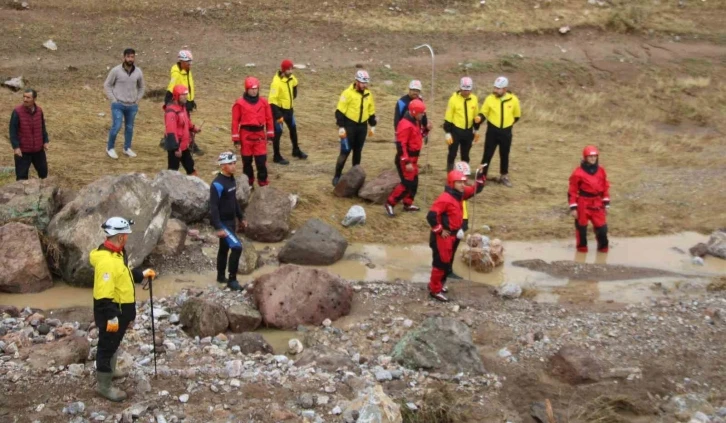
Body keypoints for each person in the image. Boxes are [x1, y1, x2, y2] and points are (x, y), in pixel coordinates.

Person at [90, 217, 156, 402]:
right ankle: (104, 386)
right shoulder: (107, 262)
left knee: (114, 342)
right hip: (113, 314)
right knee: (106, 347)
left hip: (121, 312)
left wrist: (142, 274)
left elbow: (123, 276)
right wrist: (112, 318)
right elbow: (103, 295)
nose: (127, 237)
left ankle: (110, 370)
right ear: (119, 237)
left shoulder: (116, 254)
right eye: (126, 234)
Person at [426, 168, 486, 302]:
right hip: (443, 237)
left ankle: (438, 285)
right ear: (452, 183)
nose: (463, 185)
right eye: (459, 182)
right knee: (441, 263)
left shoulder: (459, 194)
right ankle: (434, 290)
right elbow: (431, 216)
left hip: (452, 236)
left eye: (464, 182)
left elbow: (474, 190)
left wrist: (480, 177)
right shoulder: (445, 199)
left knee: (446, 262)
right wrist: (439, 230)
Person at [333, 70, 377, 186]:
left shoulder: (368, 94)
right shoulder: (347, 93)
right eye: (363, 83)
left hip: (362, 127)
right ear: (357, 81)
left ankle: (355, 177)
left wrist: (372, 125)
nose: (365, 85)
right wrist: (341, 126)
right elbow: (339, 111)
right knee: (345, 151)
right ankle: (337, 175)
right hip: (349, 125)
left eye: (366, 83)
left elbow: (371, 111)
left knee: (357, 152)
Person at [210, 152, 246, 291]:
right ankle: (232, 280)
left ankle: (220, 276)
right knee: (237, 247)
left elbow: (233, 200)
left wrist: (241, 217)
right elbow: (213, 207)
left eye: (234, 163)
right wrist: (218, 227)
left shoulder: (231, 179)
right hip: (223, 222)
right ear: (223, 165)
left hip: (231, 221)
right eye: (230, 164)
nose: (233, 166)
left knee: (224, 249)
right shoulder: (217, 184)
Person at [476, 76, 521, 187]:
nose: (495, 90)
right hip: (492, 130)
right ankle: (482, 177)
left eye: (498, 88)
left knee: (504, 154)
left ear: (505, 89)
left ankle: (504, 176)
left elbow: (517, 116)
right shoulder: (490, 99)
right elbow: (484, 112)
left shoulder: (513, 100)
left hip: (506, 131)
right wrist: (479, 119)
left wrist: (507, 124)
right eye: (495, 88)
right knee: (487, 154)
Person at [385, 98, 427, 217]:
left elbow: (418, 135)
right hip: (406, 159)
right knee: (407, 183)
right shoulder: (405, 124)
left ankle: (407, 203)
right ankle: (390, 203)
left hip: (413, 159)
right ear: (414, 112)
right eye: (421, 113)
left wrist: (426, 130)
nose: (423, 115)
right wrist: (406, 161)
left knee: (414, 182)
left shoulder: (415, 121)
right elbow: (400, 145)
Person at [231, 76, 274, 187]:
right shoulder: (239, 103)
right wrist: (236, 140)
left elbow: (269, 119)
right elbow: (235, 122)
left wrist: (270, 136)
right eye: (252, 89)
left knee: (261, 161)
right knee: (247, 162)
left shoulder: (264, 102)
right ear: (247, 89)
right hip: (246, 135)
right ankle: (248, 183)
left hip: (259, 135)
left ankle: (263, 183)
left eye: (256, 89)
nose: (254, 91)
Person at [103, 48, 145, 159]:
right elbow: (107, 85)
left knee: (129, 127)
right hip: (118, 104)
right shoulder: (115, 71)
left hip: (132, 105)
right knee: (116, 126)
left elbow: (141, 87)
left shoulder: (138, 72)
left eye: (132, 57)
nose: (130, 59)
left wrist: (137, 99)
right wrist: (113, 99)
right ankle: (110, 147)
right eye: (128, 57)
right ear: (124, 57)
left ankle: (127, 148)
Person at [568, 145, 610, 253]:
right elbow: (572, 191)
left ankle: (603, 250)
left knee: (602, 229)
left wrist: (606, 203)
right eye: (590, 157)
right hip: (583, 202)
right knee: (581, 228)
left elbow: (605, 186)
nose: (593, 159)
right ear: (585, 157)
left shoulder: (601, 171)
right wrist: (573, 208)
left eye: (594, 156)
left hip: (597, 202)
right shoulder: (577, 173)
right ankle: (582, 251)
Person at [164, 49, 203, 155]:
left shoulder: (187, 70)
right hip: (180, 103)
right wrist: (168, 101)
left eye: (191, 62)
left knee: (183, 124)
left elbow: (189, 86)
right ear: (182, 61)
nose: (190, 64)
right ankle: (190, 145)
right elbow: (171, 87)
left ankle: (167, 140)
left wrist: (191, 100)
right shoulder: (177, 73)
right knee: (184, 124)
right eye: (188, 62)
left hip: (186, 101)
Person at [269, 59, 307, 165]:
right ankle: (276, 156)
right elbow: (272, 100)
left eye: (291, 69)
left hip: (289, 110)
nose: (291, 71)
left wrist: (294, 93)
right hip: (280, 111)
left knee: (293, 129)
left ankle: (296, 150)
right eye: (289, 69)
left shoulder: (291, 78)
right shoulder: (276, 83)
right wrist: (277, 115)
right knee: (278, 133)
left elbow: (295, 83)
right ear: (284, 70)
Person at [8, 88, 49, 181]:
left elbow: (42, 127)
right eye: (24, 97)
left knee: (43, 174)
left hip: (38, 151)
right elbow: (12, 131)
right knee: (21, 178)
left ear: (34, 99)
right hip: (23, 152)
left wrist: (45, 140)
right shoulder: (17, 112)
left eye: (28, 97)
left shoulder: (39, 111)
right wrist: (16, 147)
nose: (25, 99)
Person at [443, 77, 479, 171]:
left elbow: (476, 116)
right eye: (464, 90)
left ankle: (464, 172)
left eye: (468, 90)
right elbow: (448, 116)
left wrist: (476, 130)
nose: (466, 92)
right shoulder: (453, 99)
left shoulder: (474, 99)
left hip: (468, 131)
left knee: (465, 154)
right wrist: (447, 133)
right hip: (456, 130)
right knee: (452, 153)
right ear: (460, 88)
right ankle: (450, 172)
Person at [163, 85, 200, 175]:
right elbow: (171, 132)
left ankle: (194, 186)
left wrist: (193, 128)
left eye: (186, 94)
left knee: (190, 167)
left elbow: (186, 121)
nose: (185, 97)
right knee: (173, 171)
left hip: (183, 146)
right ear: (176, 96)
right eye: (182, 95)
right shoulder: (171, 112)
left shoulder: (182, 107)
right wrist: (176, 149)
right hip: (176, 147)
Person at [448, 161, 474, 280]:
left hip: (461, 221)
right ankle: (446, 271)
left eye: (467, 176)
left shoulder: (460, 189)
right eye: (464, 177)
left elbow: (473, 190)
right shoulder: (453, 191)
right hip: (455, 224)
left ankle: (447, 269)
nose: (466, 180)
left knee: (452, 248)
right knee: (449, 248)